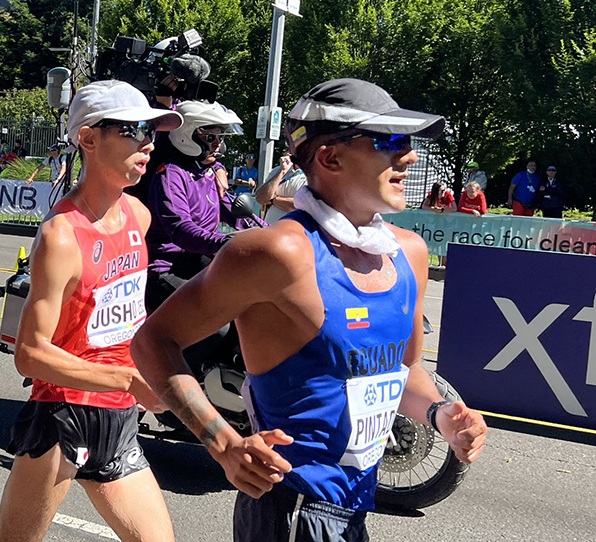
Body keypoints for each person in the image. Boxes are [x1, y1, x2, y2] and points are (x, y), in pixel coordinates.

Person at [131, 78, 487, 542]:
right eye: (389, 142)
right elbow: (154, 340)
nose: (410, 157)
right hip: (294, 511)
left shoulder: (410, 253)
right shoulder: (277, 252)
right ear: (330, 157)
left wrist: (443, 414)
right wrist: (222, 441)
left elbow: (403, 370)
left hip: (355, 508)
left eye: (408, 142)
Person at [0, 80, 181, 542]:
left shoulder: (139, 215)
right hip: (62, 417)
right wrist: (127, 380)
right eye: (134, 129)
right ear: (89, 138)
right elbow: (30, 355)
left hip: (120, 421)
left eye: (151, 130)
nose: (148, 142)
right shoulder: (61, 235)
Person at [144, 100, 266, 311]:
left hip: (197, 258)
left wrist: (273, 233)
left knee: (253, 303)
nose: (218, 144)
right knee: (216, 322)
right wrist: (225, 242)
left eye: (220, 137)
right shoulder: (171, 175)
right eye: (211, 137)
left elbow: (237, 213)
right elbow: (181, 229)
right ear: (186, 136)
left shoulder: (208, 173)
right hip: (167, 267)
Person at [254, 151, 307, 222]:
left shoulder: (313, 175)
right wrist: (282, 171)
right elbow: (260, 198)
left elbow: (302, 206)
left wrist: (273, 200)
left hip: (293, 231)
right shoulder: (277, 170)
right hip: (270, 229)